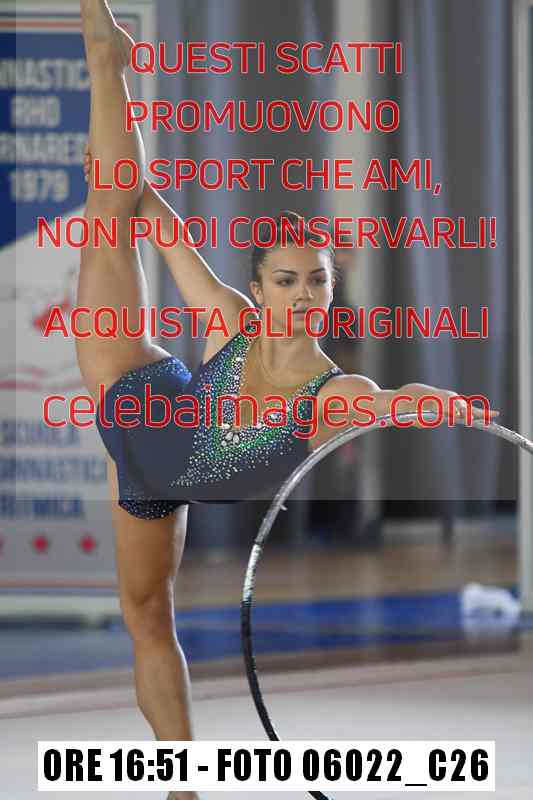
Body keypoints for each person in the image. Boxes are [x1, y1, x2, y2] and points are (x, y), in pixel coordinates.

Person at [77, 4, 499, 799]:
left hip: (154, 483)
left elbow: (394, 401)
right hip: (134, 396)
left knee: (148, 616)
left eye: (316, 281)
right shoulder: (232, 321)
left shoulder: (332, 394)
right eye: (285, 280)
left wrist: (443, 405)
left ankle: (180, 787)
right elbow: (152, 216)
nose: (302, 294)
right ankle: (108, 63)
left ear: (331, 292)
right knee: (111, 212)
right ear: (261, 287)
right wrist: (118, 166)